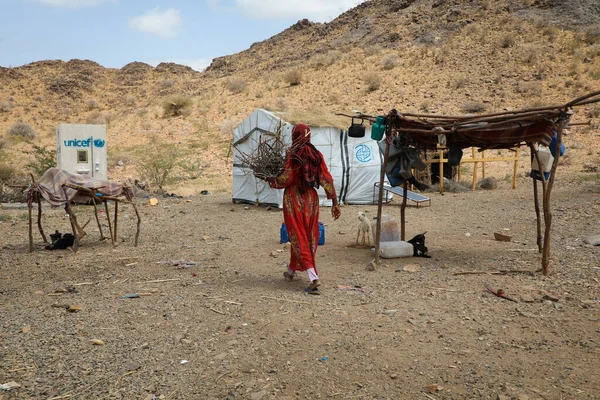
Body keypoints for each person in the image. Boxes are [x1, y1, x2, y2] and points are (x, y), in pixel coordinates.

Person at [268, 123, 341, 294]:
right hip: (311, 200)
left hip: (294, 199)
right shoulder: (317, 154)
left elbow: (287, 178)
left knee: (297, 235)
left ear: (295, 136)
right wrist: (335, 202)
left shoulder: (292, 154)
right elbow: (325, 178)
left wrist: (271, 180)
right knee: (307, 235)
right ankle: (291, 271)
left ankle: (313, 276)